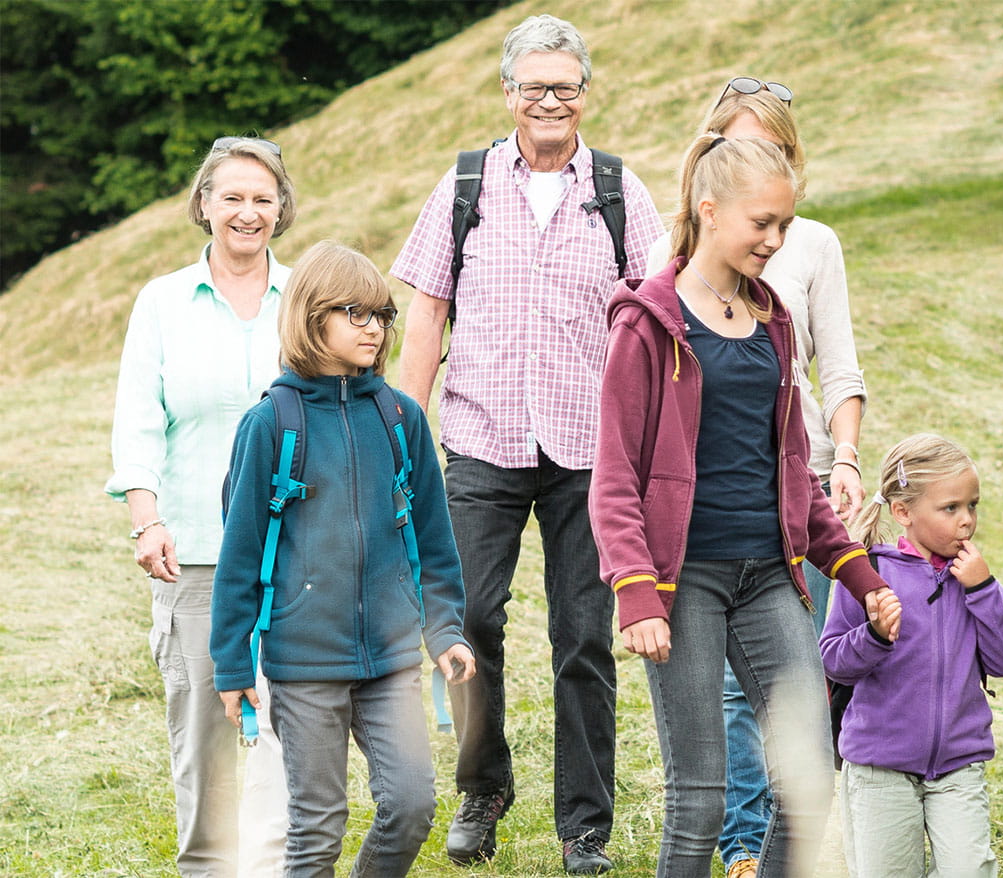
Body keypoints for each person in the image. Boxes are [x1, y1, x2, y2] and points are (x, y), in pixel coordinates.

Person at [389, 13, 665, 874]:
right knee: (468, 620)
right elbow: (427, 312)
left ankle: (585, 826)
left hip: (591, 450)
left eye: (566, 86)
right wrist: (402, 436)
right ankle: (484, 788)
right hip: (480, 437)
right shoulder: (465, 183)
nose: (550, 100)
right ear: (508, 94)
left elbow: (659, 317)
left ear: (585, 95)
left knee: (584, 634)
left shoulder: (622, 191)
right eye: (534, 86)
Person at [591, 133, 902, 878]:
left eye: (784, 226)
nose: (775, 239)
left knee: (808, 782)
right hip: (684, 580)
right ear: (709, 211)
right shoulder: (648, 323)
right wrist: (637, 592)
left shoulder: (773, 319)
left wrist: (864, 580)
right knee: (698, 799)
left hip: (770, 576)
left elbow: (794, 470)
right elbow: (614, 476)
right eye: (761, 223)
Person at [643, 77, 868, 878]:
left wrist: (845, 491)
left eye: (775, 152)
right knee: (702, 777)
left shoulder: (793, 282)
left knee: (807, 745)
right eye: (742, 150)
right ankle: (735, 848)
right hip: (695, 552)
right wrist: (639, 585)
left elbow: (815, 405)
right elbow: (627, 459)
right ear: (709, 188)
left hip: (784, 524)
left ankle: (765, 856)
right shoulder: (658, 296)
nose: (773, 233)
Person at [209, 240, 476, 877]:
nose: (374, 328)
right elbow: (239, 553)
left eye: (382, 315)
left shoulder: (401, 417)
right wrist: (231, 664)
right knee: (317, 827)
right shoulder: (271, 423)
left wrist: (443, 628)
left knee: (411, 805)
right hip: (301, 664)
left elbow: (434, 541)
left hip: (390, 658)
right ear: (311, 316)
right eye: (355, 313)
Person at [105, 135, 296, 878]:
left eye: (261, 198)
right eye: (232, 197)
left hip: (298, 550)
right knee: (204, 736)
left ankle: (285, 866)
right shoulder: (162, 302)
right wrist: (146, 519)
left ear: (281, 208)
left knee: (294, 728)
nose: (247, 212)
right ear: (204, 205)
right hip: (197, 552)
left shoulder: (306, 295)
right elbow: (138, 421)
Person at [822, 434, 1003, 878]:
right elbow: (834, 660)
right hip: (879, 768)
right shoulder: (867, 573)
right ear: (903, 513)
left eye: (972, 505)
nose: (966, 521)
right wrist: (876, 636)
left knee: (970, 871)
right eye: (950, 508)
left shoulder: (974, 578)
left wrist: (983, 590)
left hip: (958, 765)